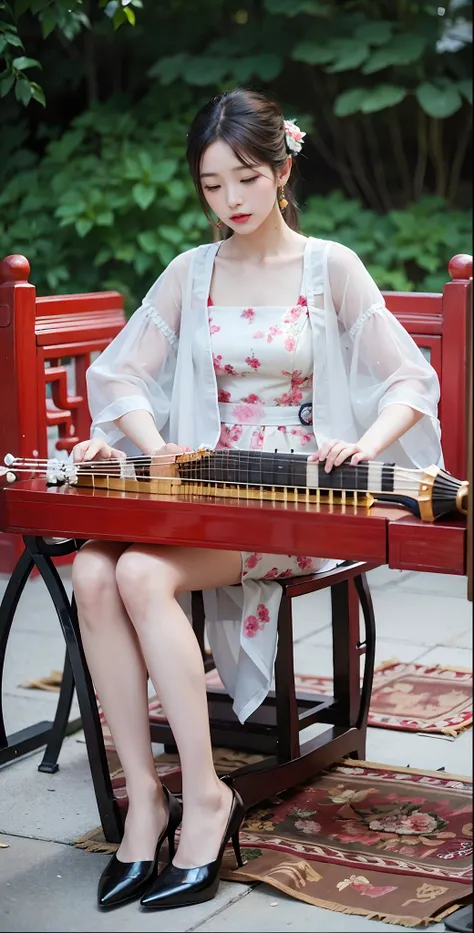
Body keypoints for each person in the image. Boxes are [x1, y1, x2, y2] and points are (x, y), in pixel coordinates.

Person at [71, 87, 442, 912]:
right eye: (211, 185)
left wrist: (365, 446)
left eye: (244, 178)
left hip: (295, 499)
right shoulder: (190, 272)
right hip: (203, 487)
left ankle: (205, 798)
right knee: (95, 574)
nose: (229, 201)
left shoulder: (329, 266)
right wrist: (148, 442)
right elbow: (119, 373)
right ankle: (147, 807)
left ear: (282, 169)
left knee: (135, 574)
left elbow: (410, 379)